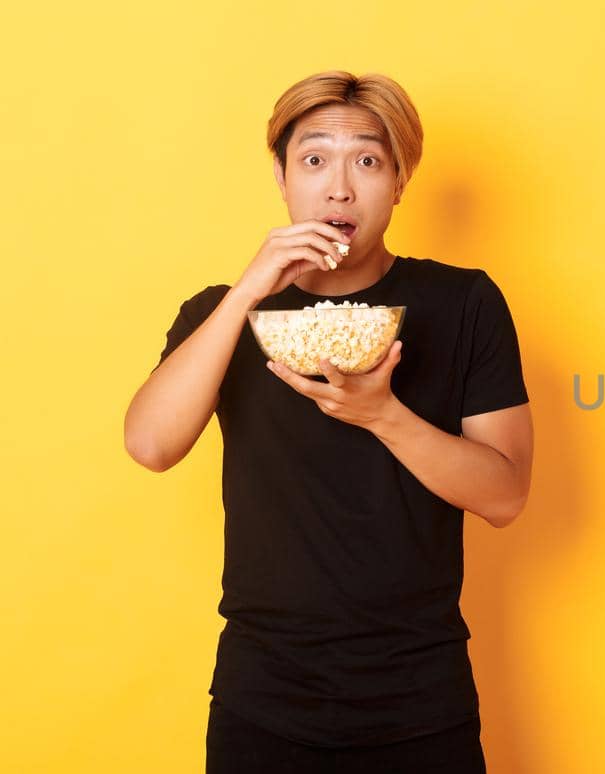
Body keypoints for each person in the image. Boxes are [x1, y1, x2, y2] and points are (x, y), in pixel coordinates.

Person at [123, 70, 534, 773]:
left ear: (400, 180)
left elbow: (505, 495)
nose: (339, 188)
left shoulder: (464, 302)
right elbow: (151, 444)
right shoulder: (218, 315)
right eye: (314, 159)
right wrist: (251, 289)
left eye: (367, 161)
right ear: (282, 177)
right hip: (264, 697)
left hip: (420, 697)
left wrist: (381, 414)